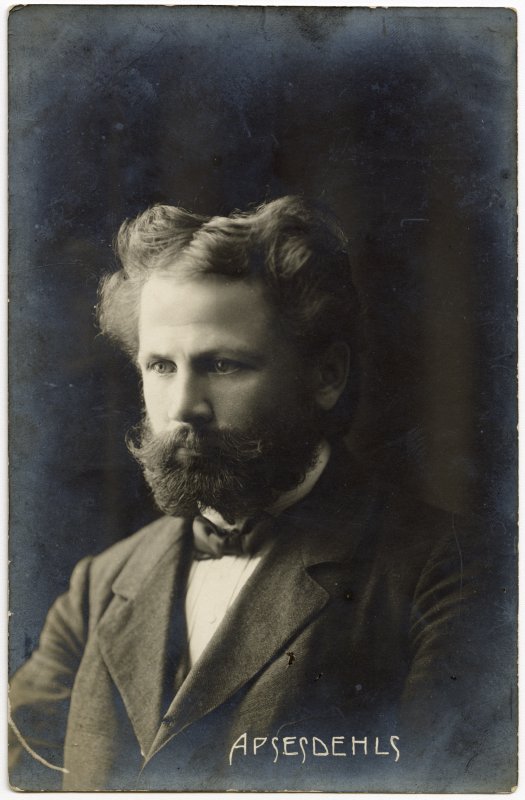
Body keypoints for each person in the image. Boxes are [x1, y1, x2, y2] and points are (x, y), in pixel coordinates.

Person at [8, 197, 512, 792]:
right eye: (161, 367)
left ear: (326, 376)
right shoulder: (97, 587)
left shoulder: (453, 570)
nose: (183, 407)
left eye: (223, 365)